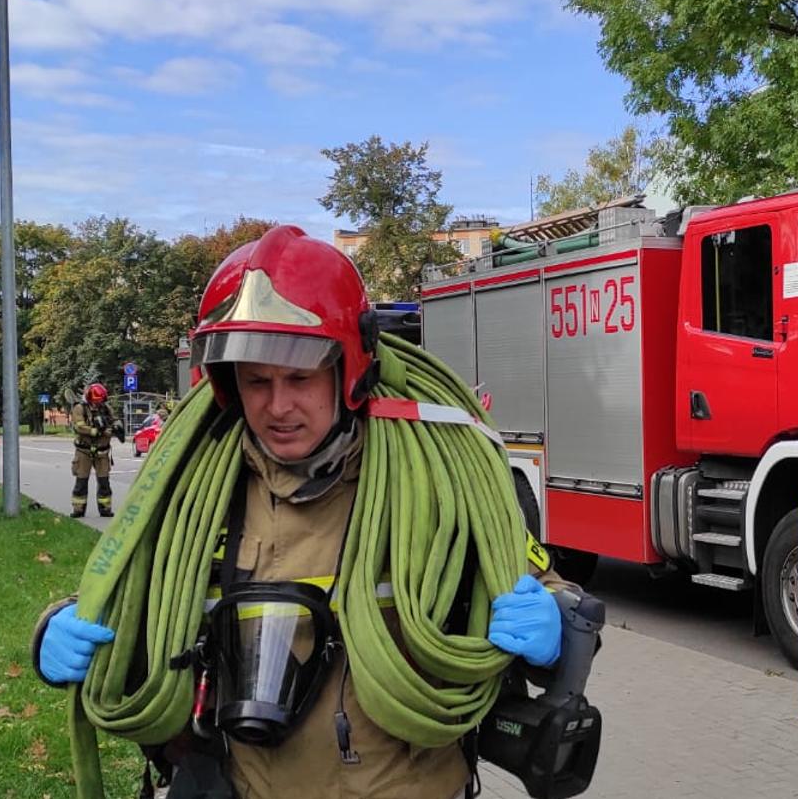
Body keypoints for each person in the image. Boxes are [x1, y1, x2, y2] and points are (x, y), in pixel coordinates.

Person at [32, 226, 572, 798]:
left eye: (299, 378)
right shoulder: (194, 492)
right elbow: (135, 594)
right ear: (226, 382)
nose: (278, 406)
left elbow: (540, 586)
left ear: (348, 371)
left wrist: (554, 625)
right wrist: (56, 629)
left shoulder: (436, 483)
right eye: (257, 381)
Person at [69, 382, 120, 518]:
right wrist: (95, 431)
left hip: (102, 452)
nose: (97, 404)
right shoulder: (80, 408)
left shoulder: (106, 408)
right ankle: (78, 509)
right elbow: (79, 426)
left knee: (104, 482)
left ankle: (105, 509)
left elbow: (114, 420)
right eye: (95, 402)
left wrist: (116, 427)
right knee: (81, 482)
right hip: (84, 451)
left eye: (100, 401)